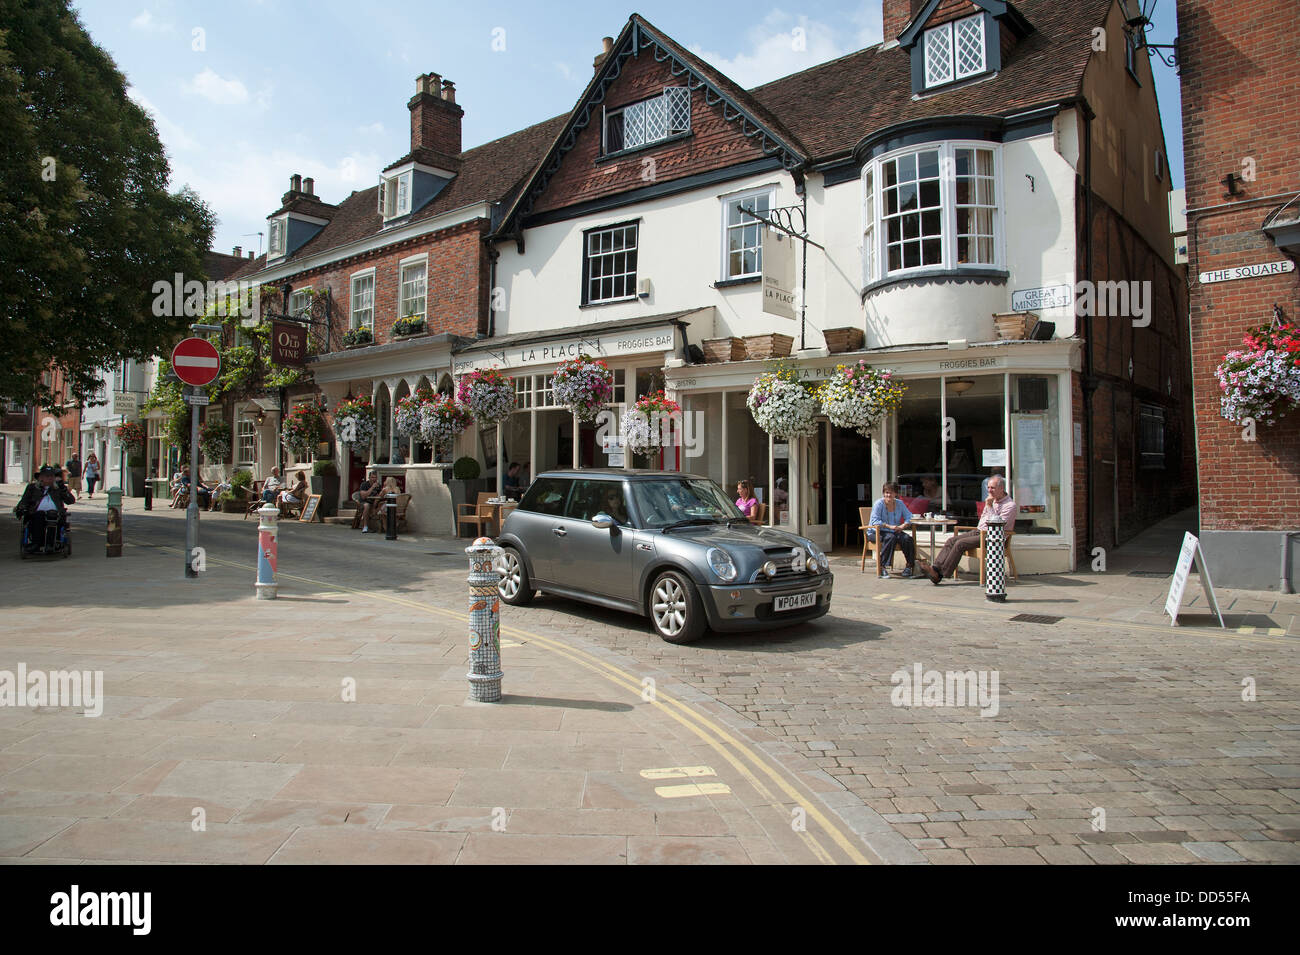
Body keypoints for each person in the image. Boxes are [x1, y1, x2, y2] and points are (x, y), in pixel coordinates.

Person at [919, 474, 1018, 584]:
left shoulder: (1009, 505)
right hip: (979, 531)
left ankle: (940, 574)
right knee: (951, 541)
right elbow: (983, 518)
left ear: (1001, 488)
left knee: (960, 544)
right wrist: (988, 510)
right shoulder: (992, 500)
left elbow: (997, 525)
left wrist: (990, 506)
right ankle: (935, 568)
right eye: (988, 487)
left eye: (993, 488)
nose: (989, 491)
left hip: (994, 537)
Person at [17, 466, 76, 552]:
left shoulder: (58, 488)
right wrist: (22, 508)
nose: (50, 478)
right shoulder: (32, 488)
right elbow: (24, 501)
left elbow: (71, 501)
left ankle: (51, 544)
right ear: (41, 477)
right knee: (39, 515)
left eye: (52, 476)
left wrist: (63, 488)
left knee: (52, 515)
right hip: (36, 515)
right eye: (47, 476)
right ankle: (36, 544)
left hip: (56, 515)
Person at [869, 482, 916, 578]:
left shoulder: (900, 503)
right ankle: (882, 567)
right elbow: (874, 521)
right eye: (886, 492)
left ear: (896, 494)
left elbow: (910, 517)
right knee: (890, 538)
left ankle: (909, 566)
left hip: (894, 531)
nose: (888, 495)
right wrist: (889, 526)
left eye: (891, 492)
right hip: (876, 531)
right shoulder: (878, 504)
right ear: (883, 493)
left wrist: (903, 526)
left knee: (907, 539)